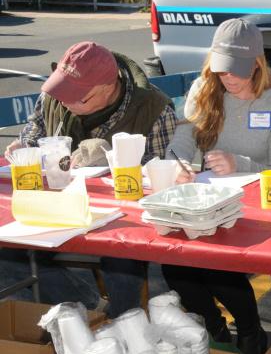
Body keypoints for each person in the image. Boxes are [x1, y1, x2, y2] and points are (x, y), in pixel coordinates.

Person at [1, 41, 177, 318]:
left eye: (79, 97)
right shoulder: (56, 95)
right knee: (6, 256)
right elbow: (33, 135)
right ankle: (90, 307)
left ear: (109, 87)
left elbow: (159, 175)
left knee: (122, 255)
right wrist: (23, 149)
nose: (67, 103)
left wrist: (110, 159)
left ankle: (125, 321)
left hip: (120, 214)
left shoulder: (154, 109)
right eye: (63, 94)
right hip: (55, 207)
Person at [161, 18, 271, 354]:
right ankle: (215, 327)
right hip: (206, 201)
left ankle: (249, 330)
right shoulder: (204, 91)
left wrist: (242, 164)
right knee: (174, 267)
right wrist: (179, 163)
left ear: (257, 64)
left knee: (217, 266)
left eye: (237, 71)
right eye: (222, 71)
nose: (229, 78)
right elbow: (181, 139)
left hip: (254, 207)